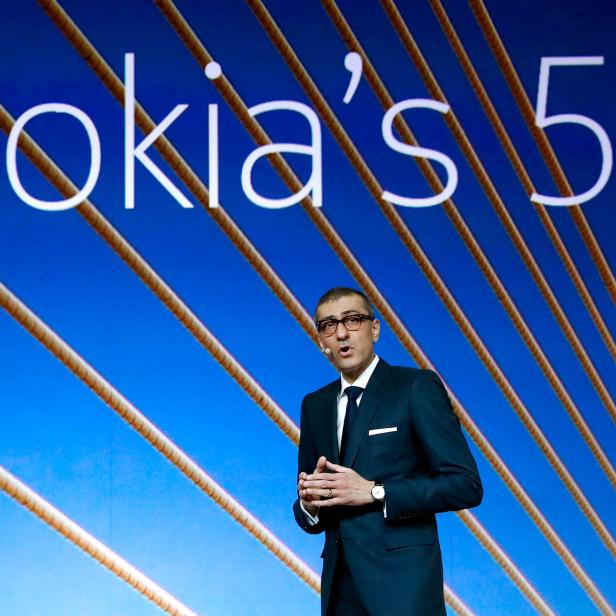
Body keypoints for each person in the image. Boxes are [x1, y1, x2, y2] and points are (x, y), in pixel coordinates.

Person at [293, 287, 483, 615]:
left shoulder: (415, 387)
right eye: (328, 325)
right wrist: (309, 505)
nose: (341, 333)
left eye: (352, 320)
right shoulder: (315, 405)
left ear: (375, 329)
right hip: (340, 592)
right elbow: (311, 514)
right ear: (321, 341)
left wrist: (375, 492)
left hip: (403, 588)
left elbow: (465, 485)